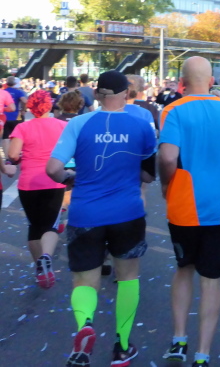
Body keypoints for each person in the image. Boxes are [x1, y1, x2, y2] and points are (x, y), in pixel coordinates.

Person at [46, 70, 157, 367]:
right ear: (126, 94)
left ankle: (85, 328)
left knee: (84, 280)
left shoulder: (79, 124)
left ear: (96, 95)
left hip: (86, 213)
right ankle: (122, 346)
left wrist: (70, 176)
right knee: (128, 278)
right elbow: (149, 173)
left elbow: (53, 168)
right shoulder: (141, 125)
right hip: (128, 213)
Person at [159, 56, 220, 367]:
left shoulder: (173, 110)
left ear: (182, 82)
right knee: (212, 280)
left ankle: (178, 339)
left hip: (184, 207)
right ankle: (203, 353)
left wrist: (166, 185)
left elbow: (168, 157)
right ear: (212, 80)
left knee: (184, 268)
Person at [9, 90, 65, 289]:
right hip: (54, 180)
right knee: (50, 225)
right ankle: (46, 256)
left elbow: (13, 154)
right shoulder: (62, 126)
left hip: (29, 183)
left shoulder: (23, 127)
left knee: (35, 225)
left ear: (30, 107)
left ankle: (40, 269)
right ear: (50, 106)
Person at [3, 76, 27, 153]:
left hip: (4, 117)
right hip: (16, 117)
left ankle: (7, 158)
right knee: (17, 136)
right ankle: (16, 154)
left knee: (5, 137)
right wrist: (23, 110)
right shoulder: (19, 92)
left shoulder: (3, 91)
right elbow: (25, 101)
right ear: (15, 83)